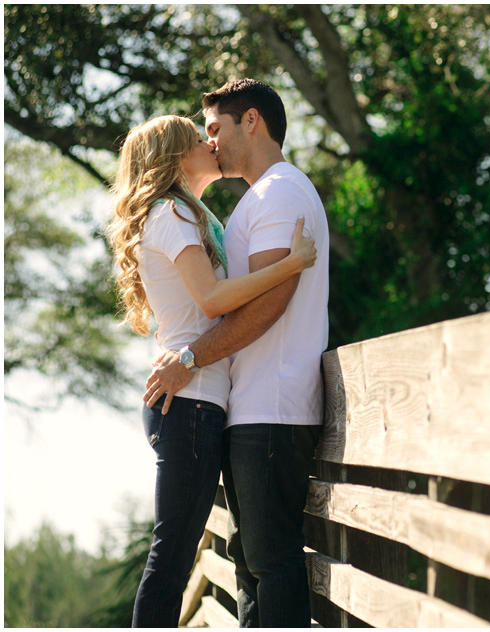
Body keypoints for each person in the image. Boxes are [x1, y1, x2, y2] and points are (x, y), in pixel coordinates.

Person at [106, 114, 318, 628]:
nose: (210, 143)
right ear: (176, 158)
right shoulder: (172, 213)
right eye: (198, 138)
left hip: (198, 401)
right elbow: (214, 297)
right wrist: (291, 264)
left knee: (177, 551)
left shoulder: (190, 214)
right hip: (190, 401)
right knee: (175, 555)